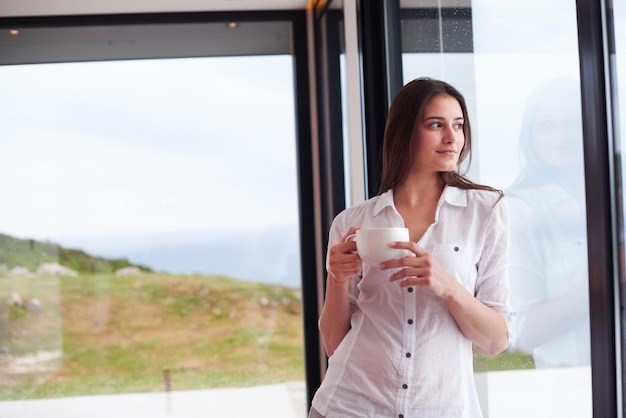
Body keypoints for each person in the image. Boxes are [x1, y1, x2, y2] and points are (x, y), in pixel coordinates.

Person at [309, 77, 512, 418]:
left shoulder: (486, 210)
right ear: (404, 133)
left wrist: (447, 286)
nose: (452, 137)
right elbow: (334, 344)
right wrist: (337, 279)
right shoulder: (351, 222)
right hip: (349, 405)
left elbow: (495, 341)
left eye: (458, 125)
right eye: (436, 124)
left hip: (442, 407)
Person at [506, 77, 590, 368]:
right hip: (578, 386)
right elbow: (523, 333)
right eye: (547, 124)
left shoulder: (614, 200)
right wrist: (605, 279)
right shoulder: (521, 210)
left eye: (572, 122)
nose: (561, 135)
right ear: (531, 135)